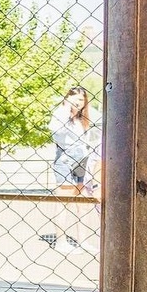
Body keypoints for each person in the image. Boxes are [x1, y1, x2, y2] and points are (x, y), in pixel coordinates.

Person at [42, 86, 101, 253]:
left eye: (81, 99)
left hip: (82, 162)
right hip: (65, 162)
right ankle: (61, 242)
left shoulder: (82, 119)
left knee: (82, 203)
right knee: (64, 202)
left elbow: (98, 128)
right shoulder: (61, 114)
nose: (78, 102)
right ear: (67, 98)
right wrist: (66, 108)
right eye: (74, 97)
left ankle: (83, 241)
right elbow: (55, 130)